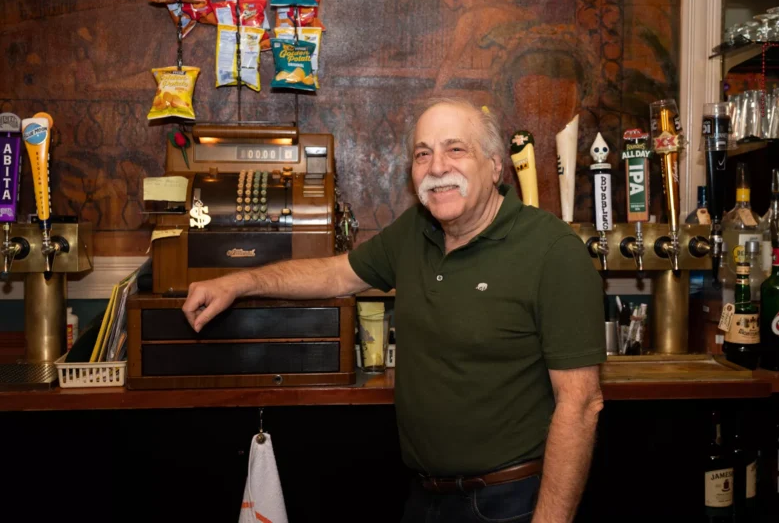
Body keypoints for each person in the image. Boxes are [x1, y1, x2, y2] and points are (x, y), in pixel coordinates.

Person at [183, 97, 606, 523]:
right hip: (425, 498)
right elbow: (336, 275)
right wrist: (239, 282)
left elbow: (581, 403)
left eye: (455, 149)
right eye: (423, 154)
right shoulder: (416, 231)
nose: (437, 166)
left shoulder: (552, 251)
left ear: (496, 166)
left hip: (510, 501)